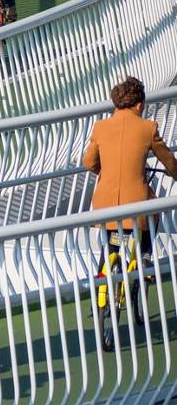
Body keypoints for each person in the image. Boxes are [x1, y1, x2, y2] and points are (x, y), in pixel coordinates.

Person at [83, 77, 177, 265]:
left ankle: (104, 280)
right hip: (136, 202)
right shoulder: (148, 128)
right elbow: (169, 161)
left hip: (104, 202)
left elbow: (89, 163)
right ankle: (144, 259)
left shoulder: (100, 127)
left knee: (113, 241)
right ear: (140, 105)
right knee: (154, 210)